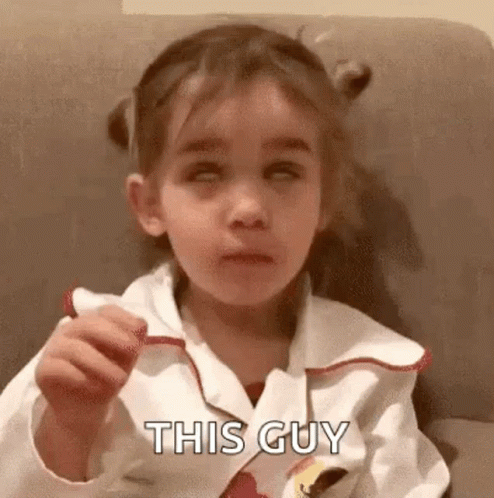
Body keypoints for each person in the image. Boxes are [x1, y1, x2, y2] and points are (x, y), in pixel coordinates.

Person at [0, 23, 450, 497]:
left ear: (325, 200)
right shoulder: (92, 350)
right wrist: (68, 430)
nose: (250, 210)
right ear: (149, 205)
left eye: (283, 171)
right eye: (206, 172)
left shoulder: (371, 371)